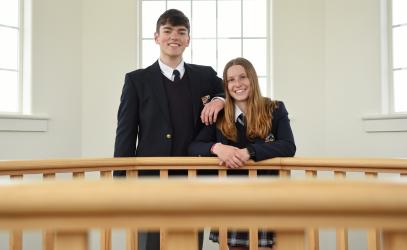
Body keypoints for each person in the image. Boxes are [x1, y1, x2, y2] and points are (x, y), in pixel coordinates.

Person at [113, 9, 224, 250]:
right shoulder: (136, 80)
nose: (174, 37)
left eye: (181, 32)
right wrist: (120, 183)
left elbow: (227, 89)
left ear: (188, 40)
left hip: (194, 177)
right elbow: (125, 133)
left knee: (190, 243)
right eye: (168, 31)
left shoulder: (206, 75)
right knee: (149, 244)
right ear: (156, 37)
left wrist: (219, 100)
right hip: (150, 180)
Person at [188, 57, 296, 249]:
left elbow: (288, 146)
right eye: (231, 80)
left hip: (267, 199)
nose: (237, 84)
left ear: (252, 79)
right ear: (226, 84)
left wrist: (250, 152)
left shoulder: (275, 108)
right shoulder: (220, 116)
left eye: (242, 77)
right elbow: (194, 147)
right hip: (232, 199)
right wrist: (217, 148)